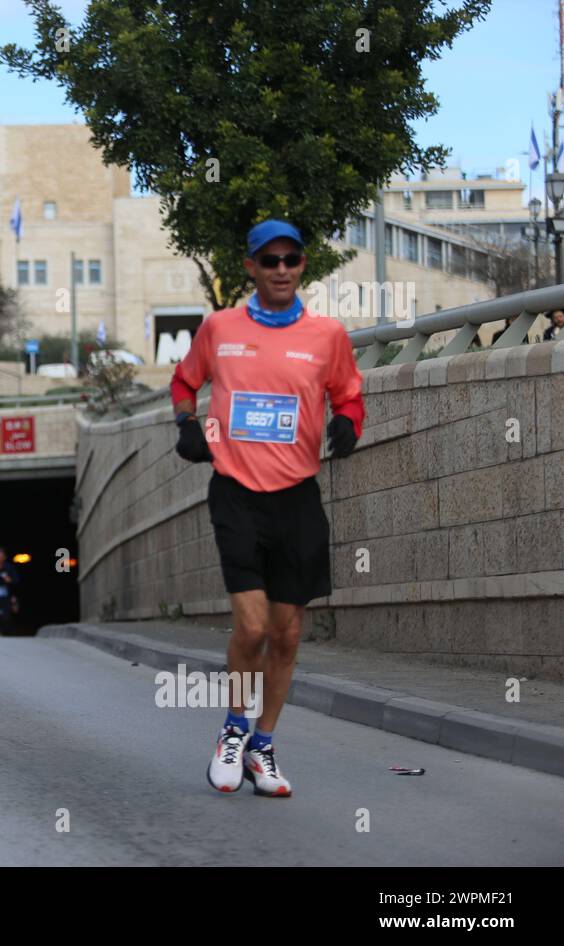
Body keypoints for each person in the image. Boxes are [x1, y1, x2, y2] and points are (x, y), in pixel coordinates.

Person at [171, 219, 364, 797]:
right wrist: (187, 425)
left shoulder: (327, 334)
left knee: (286, 633)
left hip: (298, 497)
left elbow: (349, 393)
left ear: (303, 265)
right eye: (269, 259)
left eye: (292, 259)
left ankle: (264, 745)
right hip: (235, 492)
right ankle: (232, 730)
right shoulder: (220, 328)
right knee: (251, 625)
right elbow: (184, 383)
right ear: (250, 267)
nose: (282, 269)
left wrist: (348, 422)